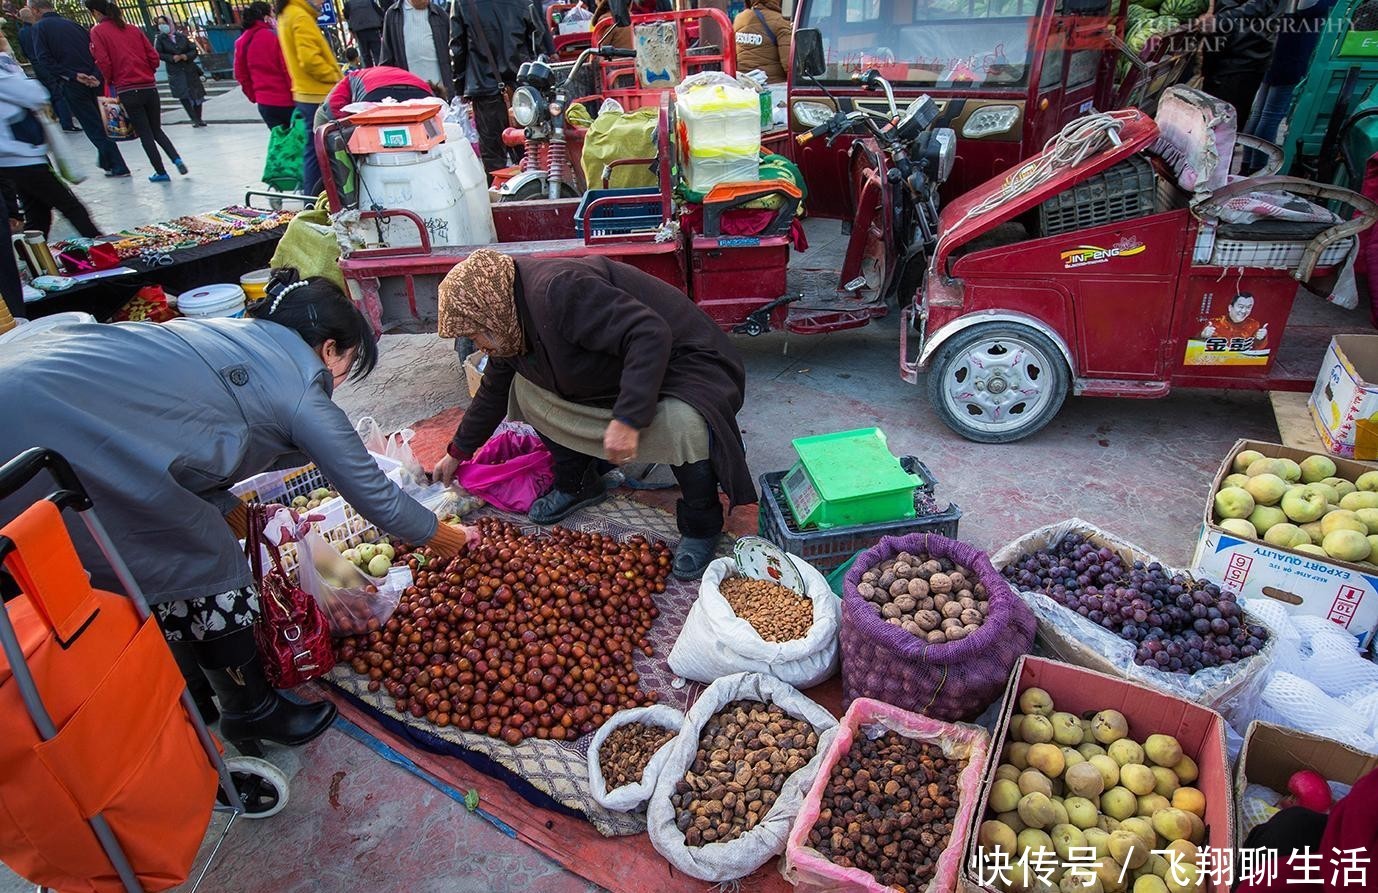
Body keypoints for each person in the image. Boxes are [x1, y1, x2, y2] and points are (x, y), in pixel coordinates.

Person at [0, 269, 475, 754]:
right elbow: (376, 496)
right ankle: (251, 710)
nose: (339, 376)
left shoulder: (234, 335)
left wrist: (251, 523)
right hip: (43, 436)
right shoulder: (297, 390)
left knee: (167, 555)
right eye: (348, 361)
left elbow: (184, 460)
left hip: (27, 386)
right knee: (204, 561)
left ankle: (198, 685)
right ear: (329, 349)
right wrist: (453, 541)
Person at [432, 251, 754, 579]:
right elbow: (493, 391)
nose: (479, 345)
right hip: (610, 374)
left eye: (476, 334)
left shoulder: (559, 290)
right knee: (523, 390)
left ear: (490, 310)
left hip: (684, 365)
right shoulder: (508, 319)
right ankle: (577, 483)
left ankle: (702, 523)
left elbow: (649, 335)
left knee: (684, 423)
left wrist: (628, 418)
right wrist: (458, 452)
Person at [0, 33, 100, 238]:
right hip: (20, 155)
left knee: (38, 214)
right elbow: (35, 94)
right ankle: (104, 250)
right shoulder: (3, 70)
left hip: (18, 154)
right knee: (70, 206)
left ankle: (34, 263)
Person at [26, 0, 130, 177]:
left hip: (72, 83)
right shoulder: (72, 24)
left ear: (35, 10)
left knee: (94, 126)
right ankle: (107, 161)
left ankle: (118, 165)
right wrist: (93, 75)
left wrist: (74, 75)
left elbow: (44, 60)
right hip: (92, 80)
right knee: (101, 123)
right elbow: (95, 51)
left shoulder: (39, 29)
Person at [86, 0, 186, 182]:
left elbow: (103, 62)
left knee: (145, 133)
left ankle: (161, 172)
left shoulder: (97, 32)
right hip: (148, 86)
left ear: (95, 12)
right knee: (157, 129)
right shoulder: (132, 29)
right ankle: (177, 159)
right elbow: (153, 56)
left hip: (127, 88)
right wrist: (147, 72)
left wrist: (110, 80)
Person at [450, 0, 542, 172]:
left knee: (493, 157)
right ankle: (534, 191)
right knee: (530, 150)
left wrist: (460, 86)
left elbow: (457, 48)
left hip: (483, 86)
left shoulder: (463, 3)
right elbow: (536, 41)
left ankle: (497, 194)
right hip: (521, 87)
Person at [276, 0, 342, 194]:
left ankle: (313, 197)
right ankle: (314, 198)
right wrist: (336, 77)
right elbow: (310, 60)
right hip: (317, 94)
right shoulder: (300, 16)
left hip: (307, 93)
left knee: (315, 150)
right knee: (319, 151)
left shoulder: (289, 13)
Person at [1199, 0, 1285, 125]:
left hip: (1241, 59)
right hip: (1224, 56)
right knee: (1209, 121)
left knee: (1223, 125)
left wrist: (1218, 21)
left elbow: (1258, 6)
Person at [234, 1, 296, 129]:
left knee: (281, 143)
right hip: (287, 101)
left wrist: (254, 96)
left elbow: (241, 74)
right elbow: (287, 69)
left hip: (265, 103)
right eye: (272, 12)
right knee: (298, 142)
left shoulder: (242, 42)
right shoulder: (275, 37)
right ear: (266, 17)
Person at [16, 6, 76, 131]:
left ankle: (59, 118)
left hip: (35, 65)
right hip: (44, 63)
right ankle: (67, 122)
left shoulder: (22, 32)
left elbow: (24, 52)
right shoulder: (37, 29)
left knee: (51, 93)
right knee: (58, 93)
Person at [316, 63, 431, 125]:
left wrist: (347, 124)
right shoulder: (415, 79)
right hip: (422, 94)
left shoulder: (351, 77)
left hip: (376, 93)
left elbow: (333, 105)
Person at [380, 0, 452, 98]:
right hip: (409, 95)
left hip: (441, 94)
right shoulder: (393, 15)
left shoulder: (440, 15)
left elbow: (453, 54)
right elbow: (386, 61)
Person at [154, 14, 208, 127]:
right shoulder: (160, 39)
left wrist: (185, 56)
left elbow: (193, 50)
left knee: (196, 94)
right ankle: (194, 119)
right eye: (160, 24)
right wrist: (172, 58)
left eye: (164, 23)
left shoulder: (181, 37)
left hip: (189, 69)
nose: (162, 26)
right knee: (184, 95)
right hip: (176, 71)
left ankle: (199, 118)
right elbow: (159, 54)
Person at [732, 0, 791, 84]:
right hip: (773, 86)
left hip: (744, 84)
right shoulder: (780, 21)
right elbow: (789, 65)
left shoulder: (739, 19)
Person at [1200, 292, 1269, 348]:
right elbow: (1194, 349)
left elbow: (1257, 349)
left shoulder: (1254, 325)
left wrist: (1262, 338)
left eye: (1248, 307)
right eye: (1241, 307)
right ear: (1230, 307)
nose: (1244, 311)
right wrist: (1203, 336)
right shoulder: (1214, 323)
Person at [343, 0, 384, 67]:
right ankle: (381, 70)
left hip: (359, 32)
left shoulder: (349, 4)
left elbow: (346, 16)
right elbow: (380, 13)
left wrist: (351, 28)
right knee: (378, 54)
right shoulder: (370, 1)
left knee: (365, 55)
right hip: (373, 29)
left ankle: (369, 73)